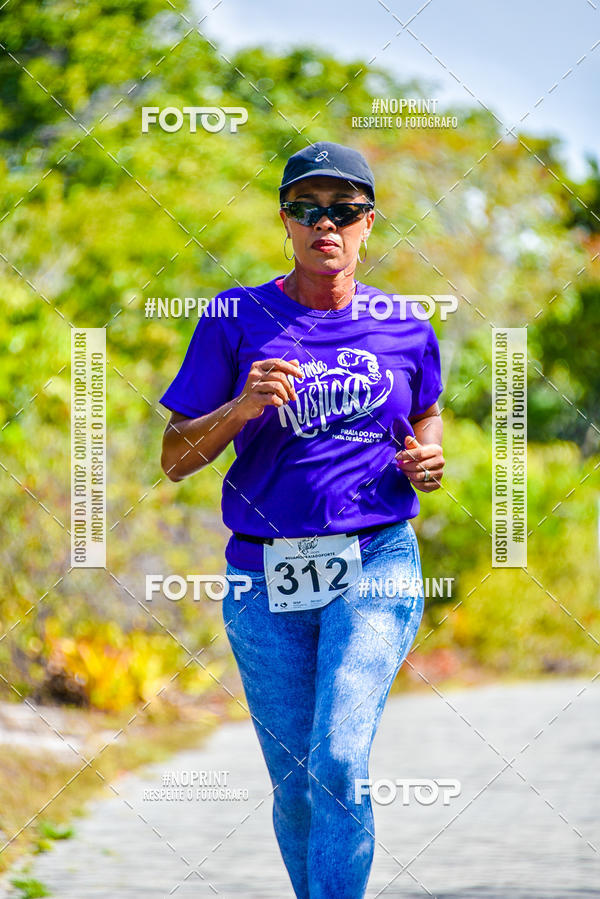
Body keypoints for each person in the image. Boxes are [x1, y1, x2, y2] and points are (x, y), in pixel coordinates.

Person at [160, 140, 445, 899]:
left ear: (369, 224)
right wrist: (241, 405)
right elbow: (174, 457)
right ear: (283, 219)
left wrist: (425, 455)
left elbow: (426, 410)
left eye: (344, 211)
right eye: (307, 208)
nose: (327, 224)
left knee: (339, 758)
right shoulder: (233, 316)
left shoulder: (406, 325)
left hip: (375, 559)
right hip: (263, 575)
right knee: (294, 783)